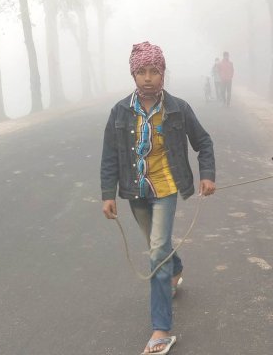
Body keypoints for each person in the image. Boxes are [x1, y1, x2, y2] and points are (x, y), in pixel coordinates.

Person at [101, 41, 216, 354]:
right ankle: (175, 267)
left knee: (156, 253)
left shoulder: (178, 109)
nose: (148, 77)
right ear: (133, 75)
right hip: (134, 192)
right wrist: (107, 194)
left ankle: (161, 330)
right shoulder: (120, 111)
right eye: (142, 72)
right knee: (159, 247)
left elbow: (204, 143)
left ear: (163, 74)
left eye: (154, 71)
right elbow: (110, 154)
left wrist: (207, 175)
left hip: (166, 189)